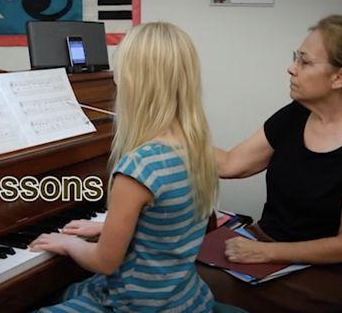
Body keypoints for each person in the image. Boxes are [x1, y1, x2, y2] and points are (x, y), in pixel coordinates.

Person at [210, 15, 342, 313]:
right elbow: (232, 164)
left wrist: (266, 253)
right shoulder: (296, 114)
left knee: (197, 286)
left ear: (340, 77)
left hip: (329, 273)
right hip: (266, 247)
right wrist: (175, 138)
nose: (291, 68)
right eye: (295, 58)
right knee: (175, 268)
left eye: (305, 62)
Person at [29, 22, 219, 312]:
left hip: (137, 305)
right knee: (70, 291)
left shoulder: (139, 167)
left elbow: (105, 262)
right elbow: (164, 227)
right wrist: (108, 227)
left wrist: (68, 244)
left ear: (133, 83)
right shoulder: (196, 146)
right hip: (186, 299)